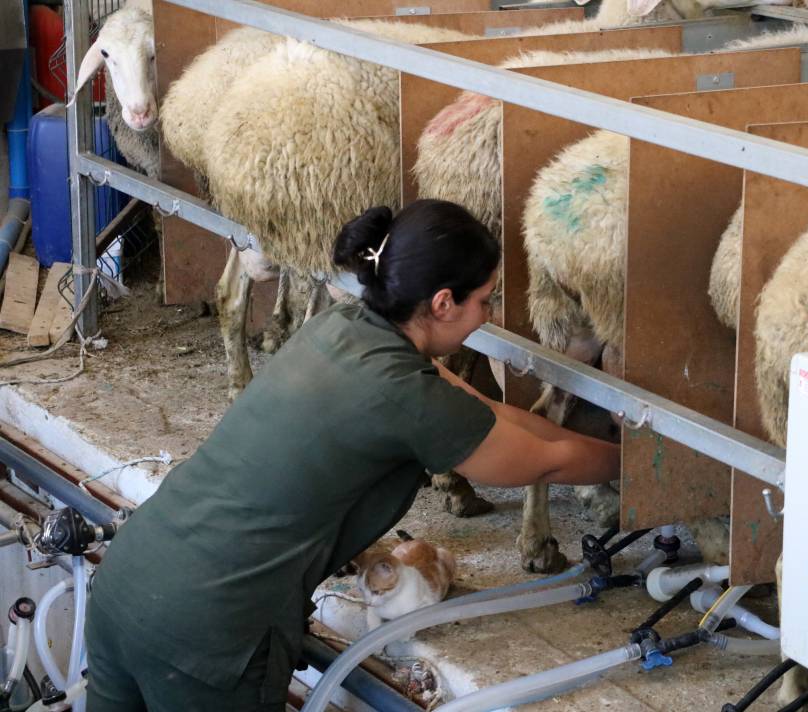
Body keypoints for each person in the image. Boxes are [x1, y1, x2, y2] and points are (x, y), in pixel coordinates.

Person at [85, 199, 620, 711]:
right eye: (485, 300)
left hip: (127, 583)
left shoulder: (342, 328)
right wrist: (636, 464)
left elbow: (493, 415)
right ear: (442, 303)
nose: (488, 314)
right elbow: (543, 461)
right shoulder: (407, 394)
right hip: (207, 634)